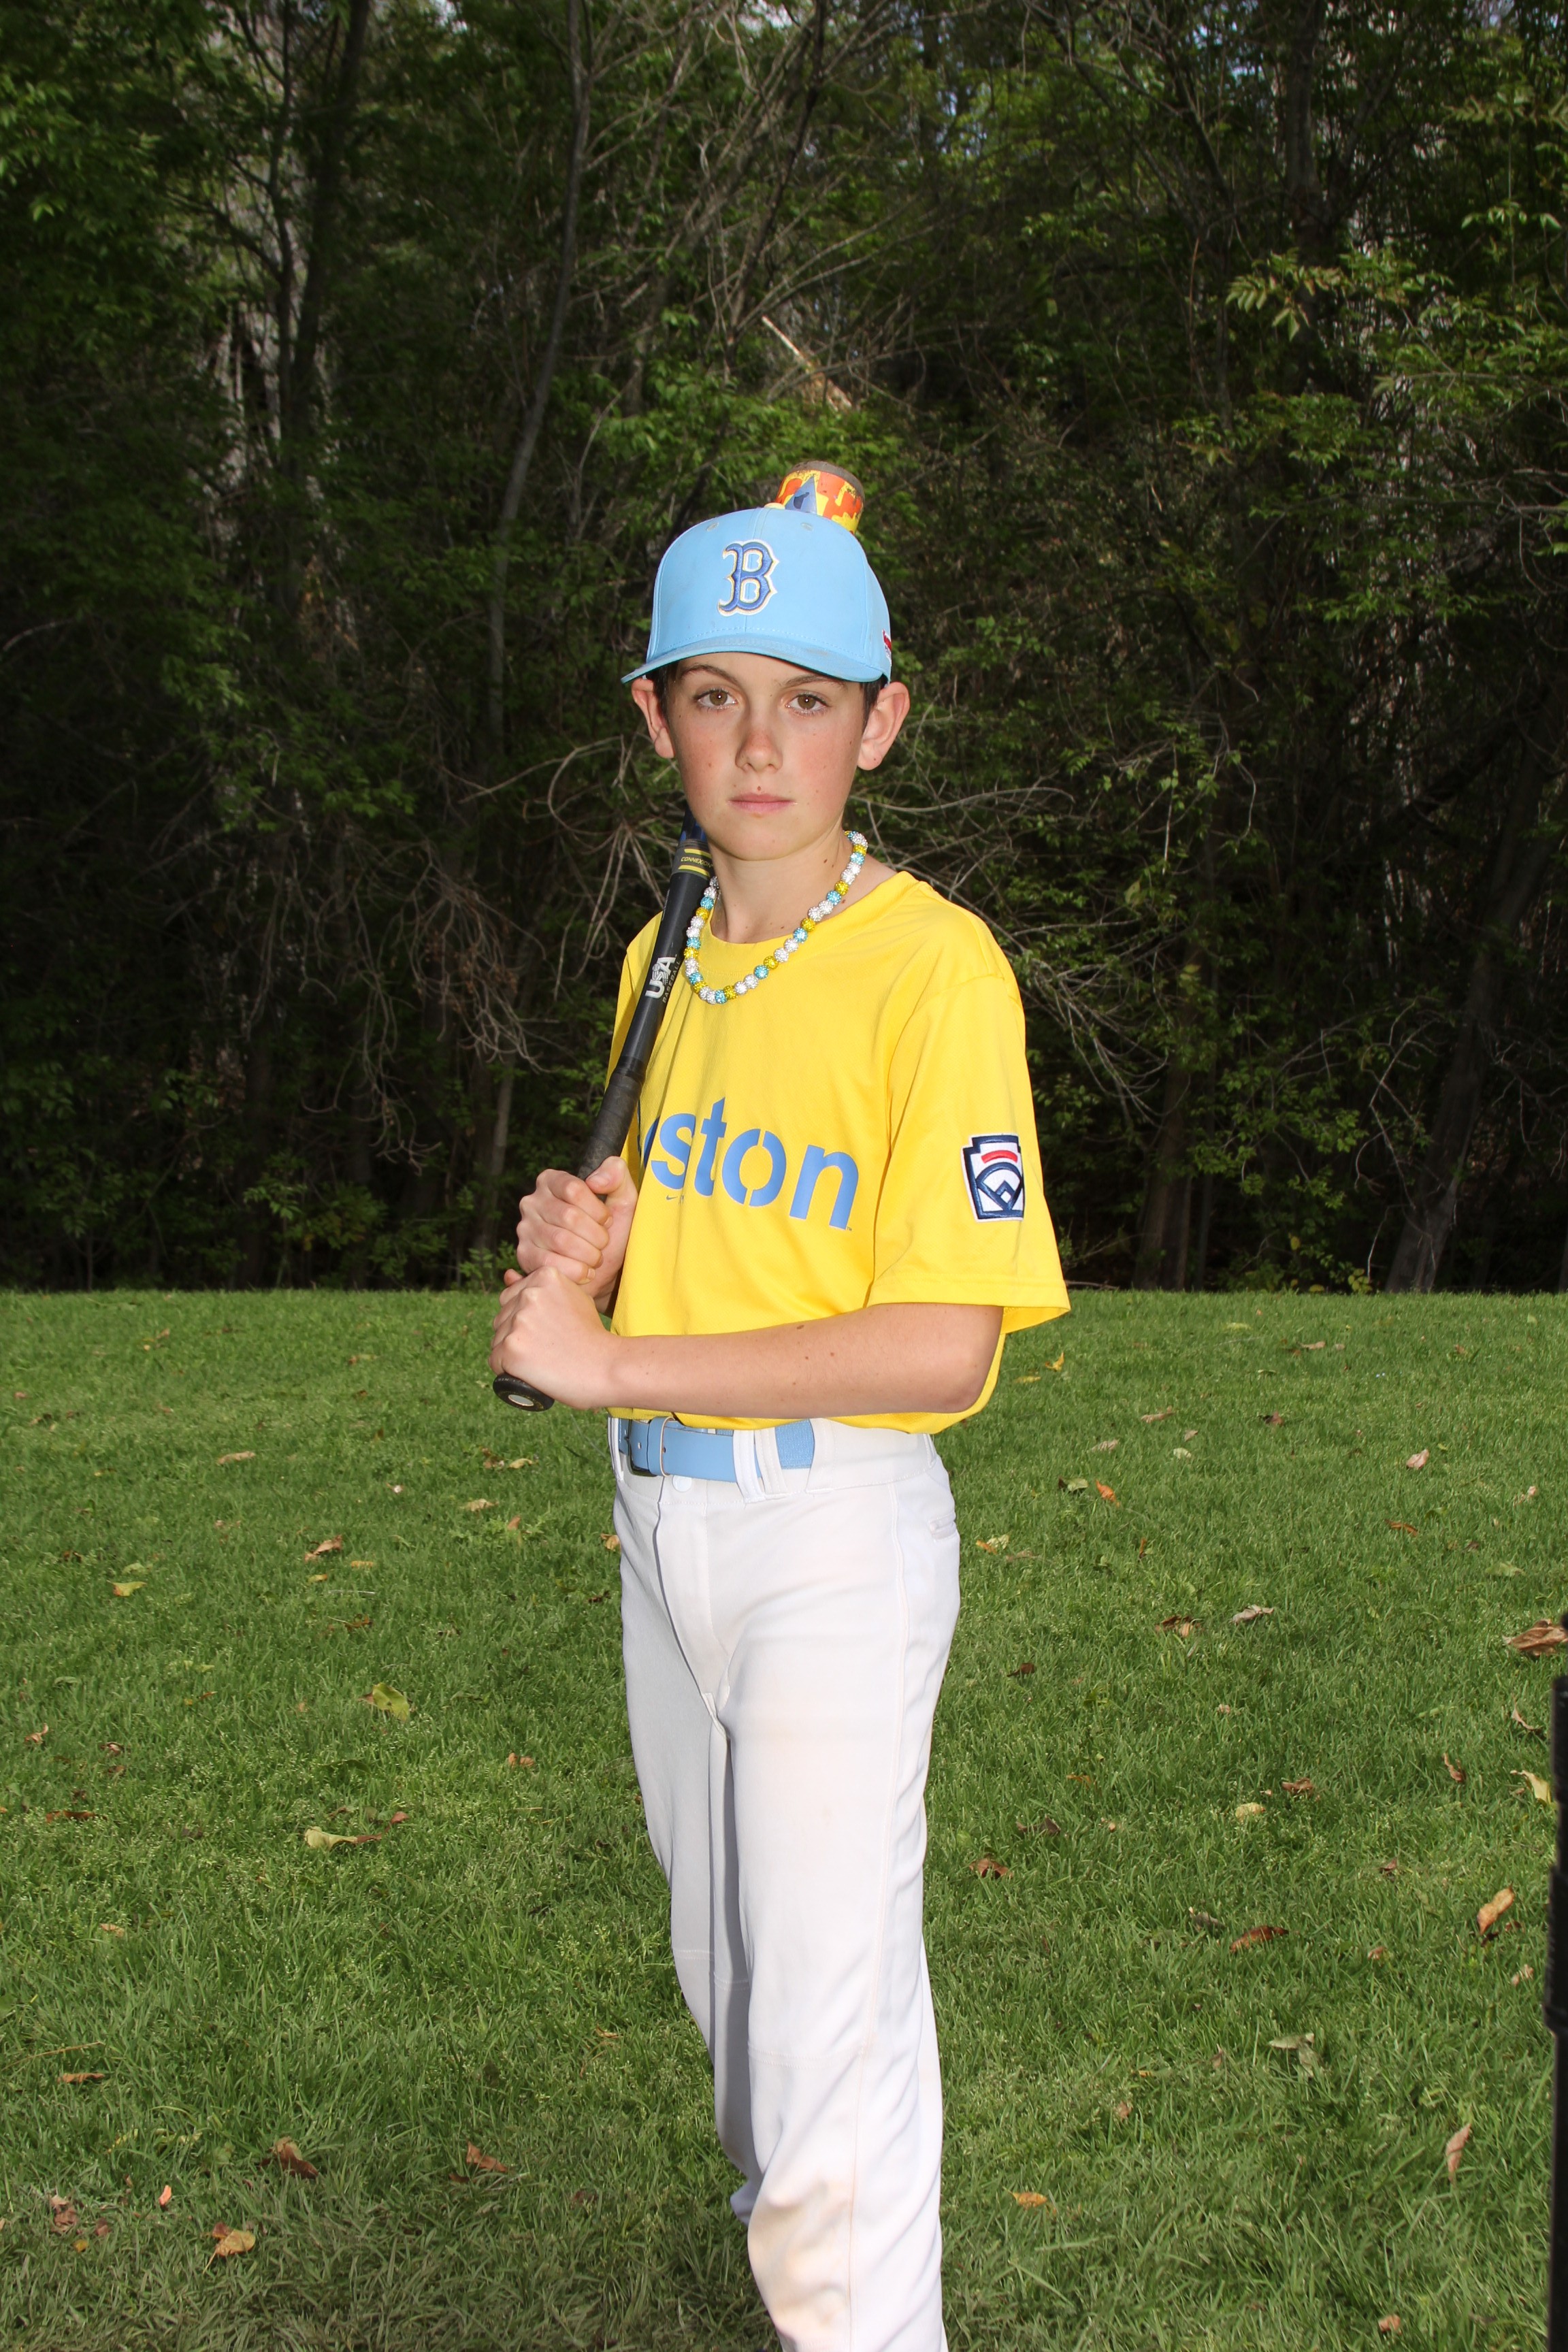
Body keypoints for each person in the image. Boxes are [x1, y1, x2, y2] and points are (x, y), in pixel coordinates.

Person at [490, 465, 1069, 2352]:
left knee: (823, 2056)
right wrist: (594, 1248)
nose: (759, 745)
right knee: (747, 2007)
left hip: (831, 1534)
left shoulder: (934, 970)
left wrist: (609, 1362)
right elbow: (691, 1228)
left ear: (879, 726)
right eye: (715, 695)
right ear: (653, 716)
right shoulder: (664, 954)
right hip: (665, 1530)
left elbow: (943, 1348)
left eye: (808, 700)